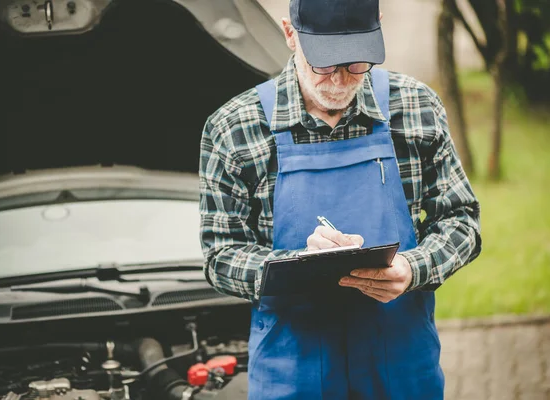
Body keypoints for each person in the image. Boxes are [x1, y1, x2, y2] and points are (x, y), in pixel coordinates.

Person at [199, 0, 482, 398]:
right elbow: (219, 255)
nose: (338, 81)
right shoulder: (235, 128)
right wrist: (295, 265)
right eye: (324, 63)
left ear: (377, 30)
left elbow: (461, 219)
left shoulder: (416, 107)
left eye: (355, 64)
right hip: (292, 373)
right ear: (290, 33)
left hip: (401, 369)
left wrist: (412, 267)